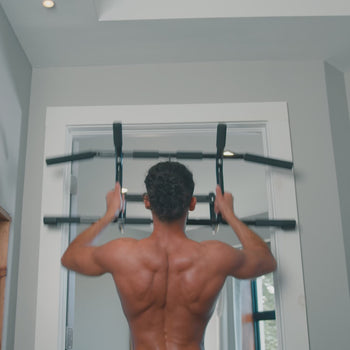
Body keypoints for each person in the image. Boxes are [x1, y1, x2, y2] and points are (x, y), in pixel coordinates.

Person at [61, 161, 277, 350]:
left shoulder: (122, 253)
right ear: (192, 203)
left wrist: (110, 214)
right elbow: (265, 260)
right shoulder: (215, 256)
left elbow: (70, 256)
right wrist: (229, 213)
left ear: (147, 202)